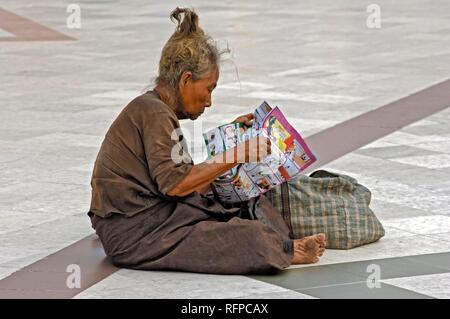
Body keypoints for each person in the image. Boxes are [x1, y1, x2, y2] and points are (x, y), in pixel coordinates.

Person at [88, 7, 326, 275]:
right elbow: (176, 185)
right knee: (247, 238)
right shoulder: (153, 112)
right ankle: (286, 249)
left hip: (153, 217)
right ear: (186, 80)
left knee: (230, 200)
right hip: (135, 233)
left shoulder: (155, 109)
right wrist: (236, 154)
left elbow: (179, 177)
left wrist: (232, 138)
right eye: (209, 89)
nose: (209, 100)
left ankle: (278, 241)